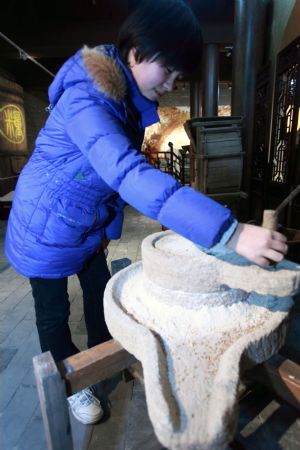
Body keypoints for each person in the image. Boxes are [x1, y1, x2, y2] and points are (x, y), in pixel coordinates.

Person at [5, 0, 288, 425]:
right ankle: (75, 387)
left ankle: (107, 362)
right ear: (136, 53)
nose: (172, 83)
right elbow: (124, 172)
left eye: (179, 76)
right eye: (169, 70)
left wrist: (108, 228)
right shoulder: (87, 97)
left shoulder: (125, 100)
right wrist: (229, 232)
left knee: (101, 295)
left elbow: (111, 186)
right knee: (53, 311)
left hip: (84, 220)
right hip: (42, 221)